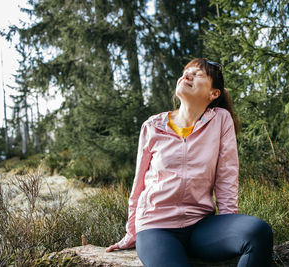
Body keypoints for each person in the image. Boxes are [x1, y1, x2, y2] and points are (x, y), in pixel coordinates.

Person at [105, 58, 273, 266]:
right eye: (186, 72)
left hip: (201, 226)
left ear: (214, 94)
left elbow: (226, 177)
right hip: (156, 228)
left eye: (198, 74)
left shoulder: (220, 120)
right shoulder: (152, 126)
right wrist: (131, 232)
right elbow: (138, 185)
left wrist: (229, 224)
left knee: (258, 232)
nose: (188, 75)